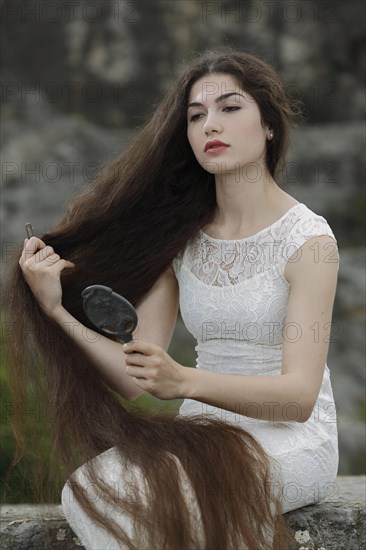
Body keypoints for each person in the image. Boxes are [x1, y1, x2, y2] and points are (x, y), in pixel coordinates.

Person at [4, 48, 339, 550]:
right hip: (203, 438)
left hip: (294, 441)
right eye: (196, 116)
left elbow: (297, 399)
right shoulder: (183, 239)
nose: (210, 125)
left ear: (269, 124)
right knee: (86, 488)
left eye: (230, 108)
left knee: (166, 504)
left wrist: (184, 380)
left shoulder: (309, 242)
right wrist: (53, 308)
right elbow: (129, 377)